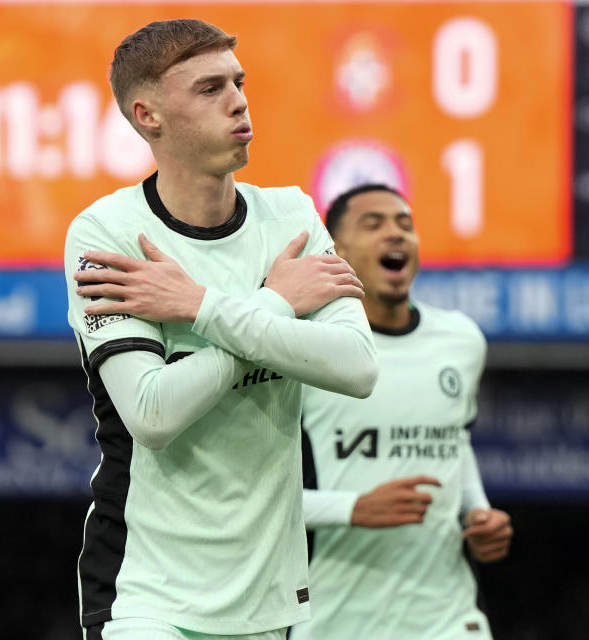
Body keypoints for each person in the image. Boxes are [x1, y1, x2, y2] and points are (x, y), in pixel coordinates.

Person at [64, 19, 378, 640]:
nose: (238, 101)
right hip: (143, 593)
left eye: (238, 83)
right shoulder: (108, 234)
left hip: (268, 597)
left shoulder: (290, 214)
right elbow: (153, 414)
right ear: (147, 114)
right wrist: (273, 304)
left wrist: (202, 307)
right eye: (209, 89)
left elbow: (357, 367)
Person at [291, 184, 513, 640]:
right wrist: (354, 508)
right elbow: (258, 501)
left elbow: (456, 442)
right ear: (338, 250)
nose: (395, 234)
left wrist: (479, 513)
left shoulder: (461, 339)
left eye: (405, 224)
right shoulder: (302, 348)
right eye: (374, 224)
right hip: (335, 620)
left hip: (449, 618)